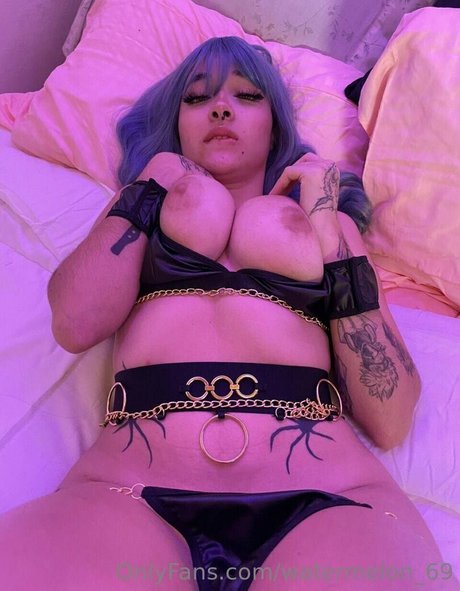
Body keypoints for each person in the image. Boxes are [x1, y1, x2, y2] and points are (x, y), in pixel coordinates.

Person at [0, 36, 457, 591]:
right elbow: (74, 322)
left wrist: (322, 215)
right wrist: (148, 184)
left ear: (275, 124)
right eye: (197, 98)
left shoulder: (326, 227)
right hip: (128, 492)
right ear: (177, 124)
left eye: (246, 95)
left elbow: (391, 416)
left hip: (328, 495)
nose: (220, 108)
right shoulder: (143, 208)